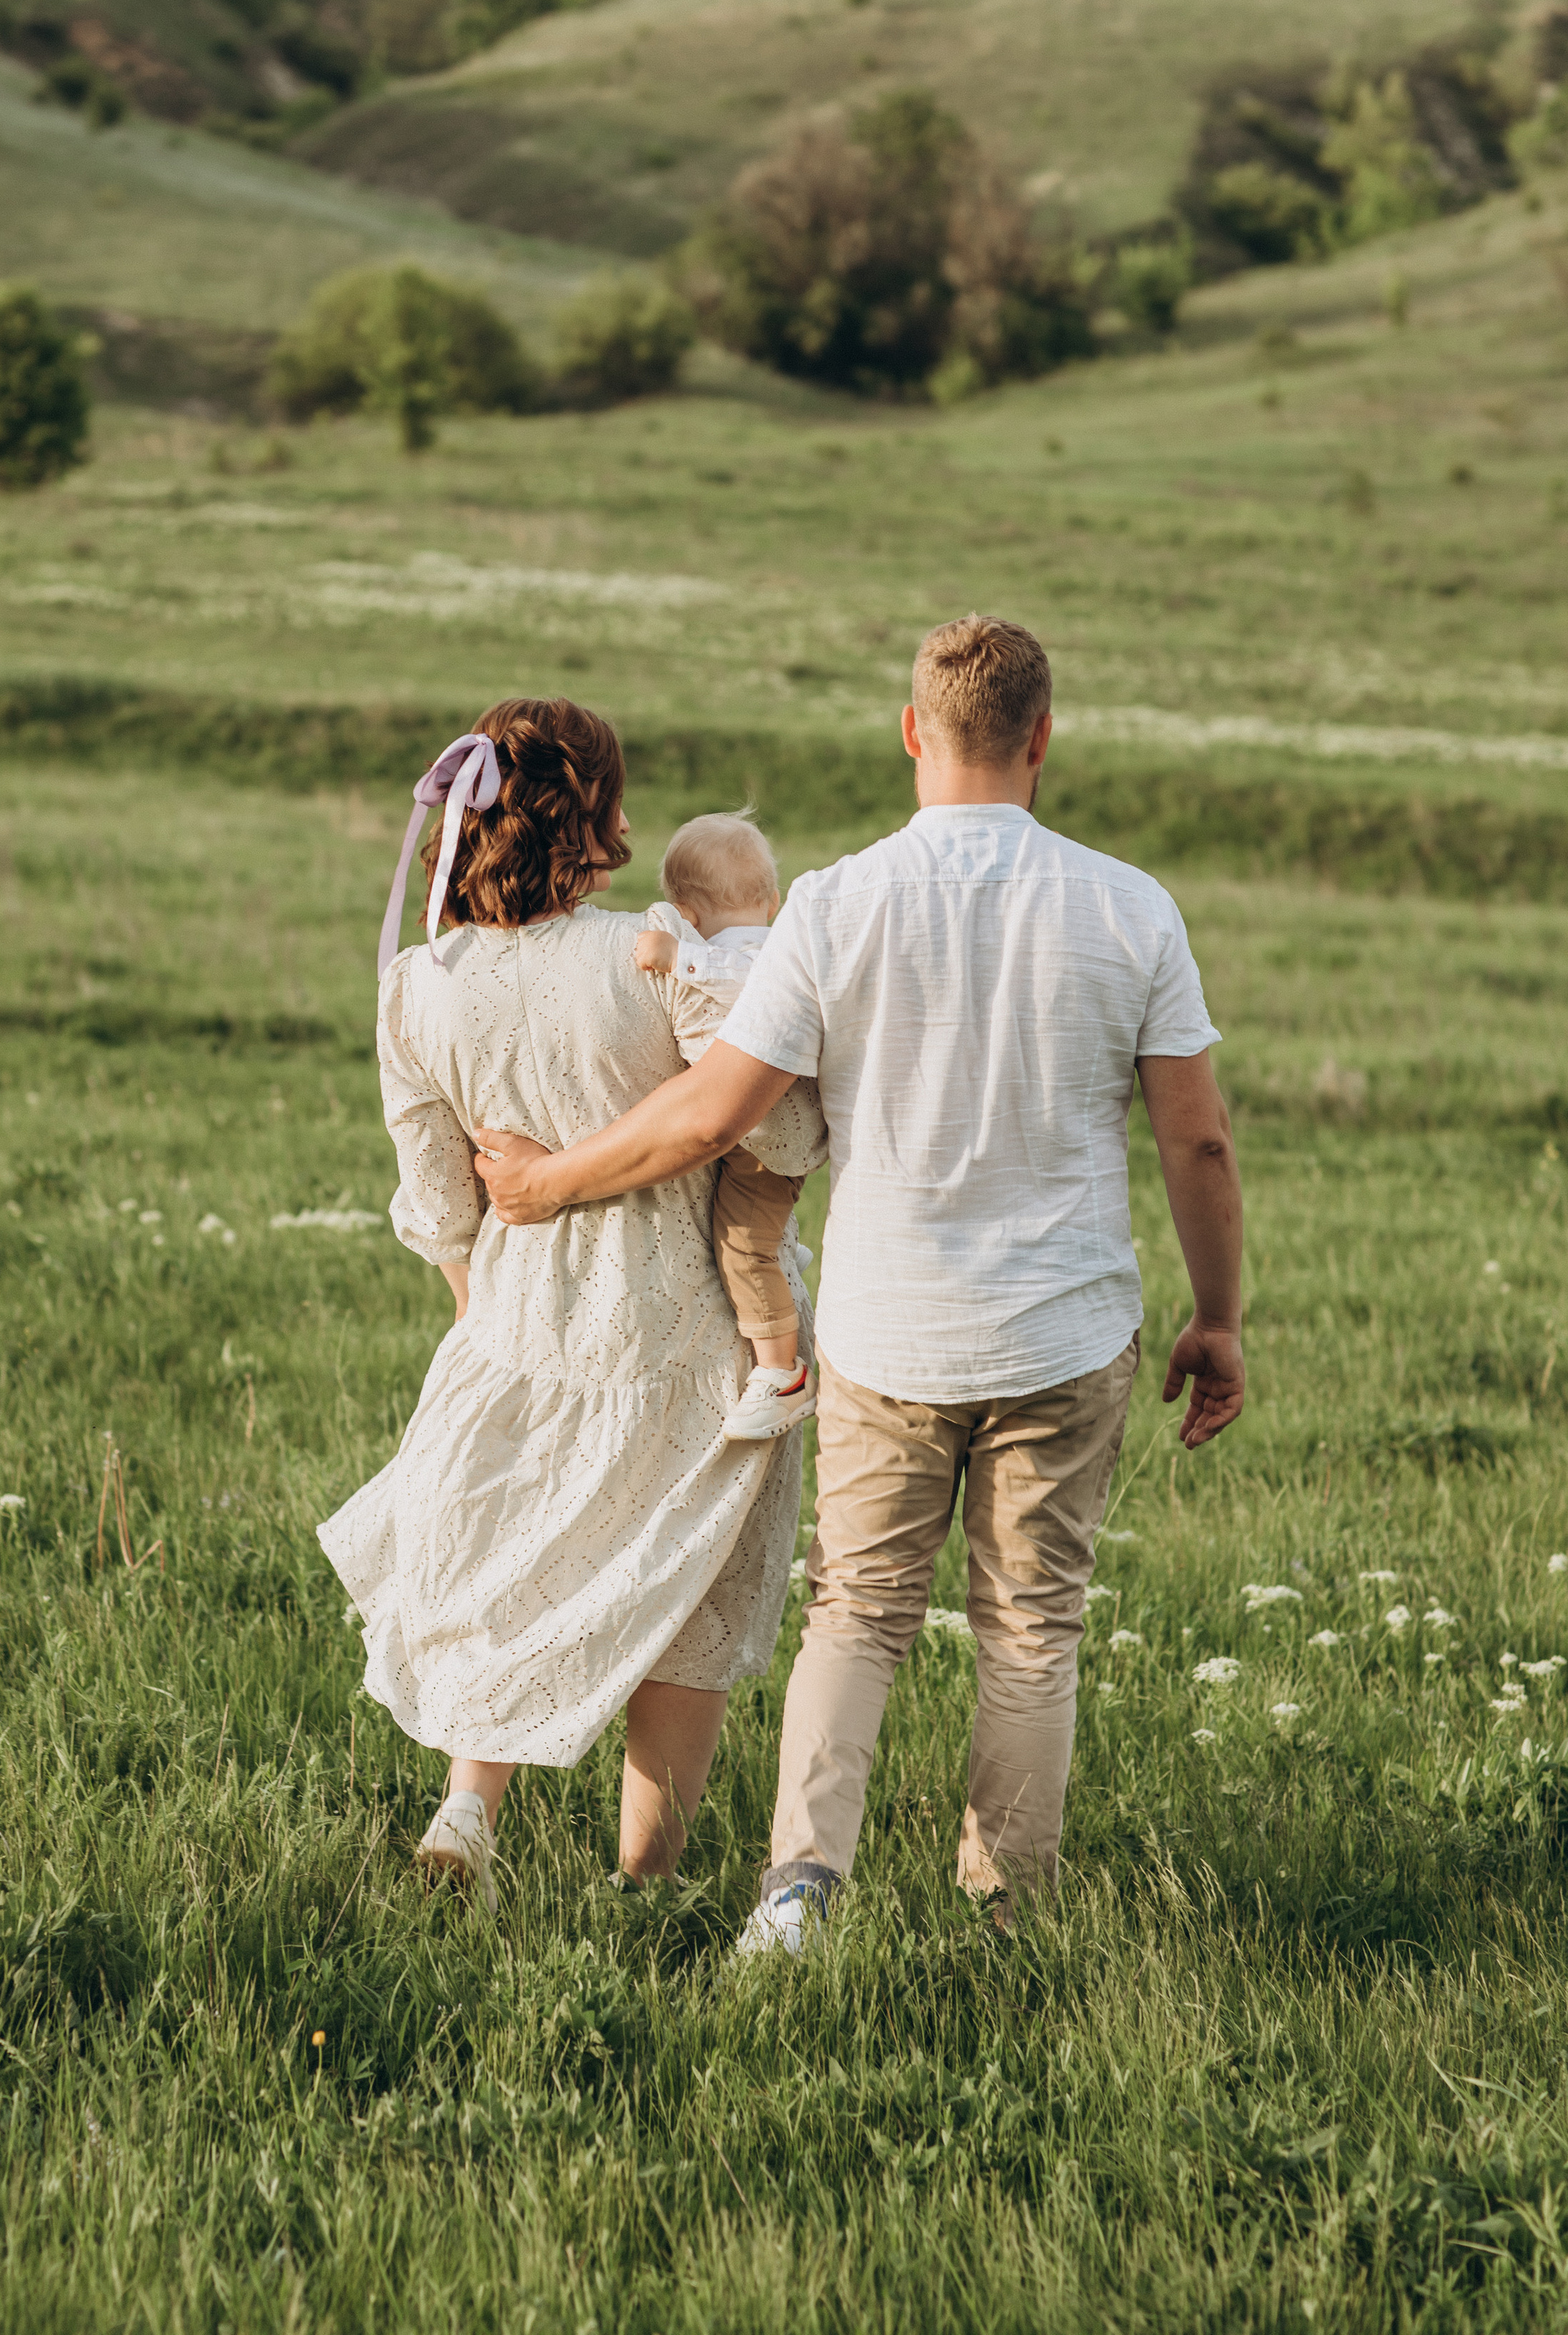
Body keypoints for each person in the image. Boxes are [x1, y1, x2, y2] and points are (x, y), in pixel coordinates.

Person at [474, 616, 1245, 1955]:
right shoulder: (1132, 906)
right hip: (1068, 1332)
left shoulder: (838, 902)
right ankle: (1004, 1915)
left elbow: (715, 1113)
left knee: (858, 1614)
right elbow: (1200, 1139)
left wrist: (550, 1186)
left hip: (894, 1336)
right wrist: (1218, 1316)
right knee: (1031, 1629)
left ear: (910, 735)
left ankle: (799, 1893)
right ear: (1043, 740)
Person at [316, 696, 826, 1915]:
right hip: (693, 1329)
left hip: (519, 1322)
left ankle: (469, 1805)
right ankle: (642, 1885)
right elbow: (780, 1122)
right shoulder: (654, 951)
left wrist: (484, 1315)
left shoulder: (416, 988)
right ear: (590, 819)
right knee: (686, 1598)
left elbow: (439, 1203)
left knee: (513, 1562)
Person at [633, 812, 814, 1442]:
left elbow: (753, 989)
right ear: (772, 898)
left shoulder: (747, 956)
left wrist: (682, 959)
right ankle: (782, 1246)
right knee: (745, 1216)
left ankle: (781, 1374)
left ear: (686, 909)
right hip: (765, 1135)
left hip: (768, 1136)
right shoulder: (779, 935)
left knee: (743, 1246)